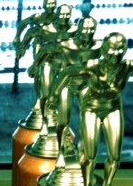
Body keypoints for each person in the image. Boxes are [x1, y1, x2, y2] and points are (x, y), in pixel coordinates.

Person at [52, 32, 133, 186]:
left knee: (115, 157)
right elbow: (66, 73)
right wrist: (54, 95)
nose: (116, 54)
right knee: (90, 155)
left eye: (120, 49)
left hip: (113, 108)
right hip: (91, 108)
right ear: (104, 50)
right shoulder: (93, 66)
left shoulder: (128, 66)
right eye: (112, 49)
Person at [32, 16, 102, 164]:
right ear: (79, 29)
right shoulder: (66, 45)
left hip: (85, 85)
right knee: (63, 122)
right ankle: (61, 153)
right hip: (66, 85)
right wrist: (35, 66)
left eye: (91, 29)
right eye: (85, 29)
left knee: (88, 121)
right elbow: (45, 49)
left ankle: (83, 152)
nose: (87, 32)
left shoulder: (99, 46)